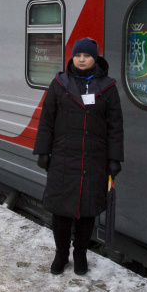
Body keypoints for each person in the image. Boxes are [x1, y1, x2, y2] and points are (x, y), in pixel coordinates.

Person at [33, 37, 124, 275]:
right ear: (72, 57)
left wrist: (114, 158)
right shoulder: (59, 84)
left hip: (94, 159)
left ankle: (80, 253)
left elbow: (115, 126)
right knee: (61, 211)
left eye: (87, 55)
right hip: (63, 158)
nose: (81, 60)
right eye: (78, 55)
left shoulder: (108, 87)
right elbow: (46, 120)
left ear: (95, 58)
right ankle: (61, 254)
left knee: (87, 212)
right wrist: (43, 151)